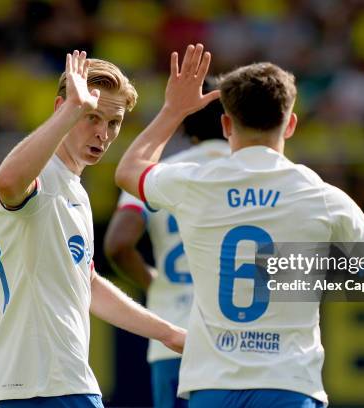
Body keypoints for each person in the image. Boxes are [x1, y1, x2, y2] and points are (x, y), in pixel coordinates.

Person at [115, 44, 364, 408]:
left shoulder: (194, 184)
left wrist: (173, 110)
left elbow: (127, 171)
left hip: (213, 386)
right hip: (289, 385)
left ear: (227, 125)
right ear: (290, 124)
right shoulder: (323, 196)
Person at [0, 50, 186, 408]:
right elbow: (8, 182)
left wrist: (170, 334)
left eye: (114, 123)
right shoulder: (40, 174)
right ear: (62, 107)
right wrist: (72, 108)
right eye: (92, 117)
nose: (103, 133)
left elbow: (86, 283)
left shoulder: (75, 191)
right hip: (39, 387)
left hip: (44, 384)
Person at [104, 77, 229, 408]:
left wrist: (155, 284)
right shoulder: (256, 174)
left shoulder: (159, 173)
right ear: (233, 122)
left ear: (186, 127)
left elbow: (118, 244)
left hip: (174, 335)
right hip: (242, 343)